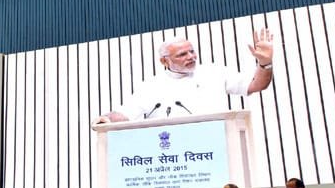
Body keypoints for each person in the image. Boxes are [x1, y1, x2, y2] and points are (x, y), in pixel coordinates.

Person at [97, 28, 274, 122]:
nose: (191, 57)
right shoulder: (151, 86)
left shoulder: (215, 72)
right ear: (164, 61)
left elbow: (256, 84)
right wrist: (106, 118)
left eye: (191, 51)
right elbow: (125, 113)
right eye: (182, 54)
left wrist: (265, 63)